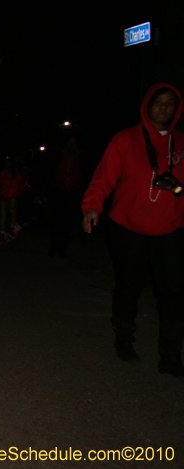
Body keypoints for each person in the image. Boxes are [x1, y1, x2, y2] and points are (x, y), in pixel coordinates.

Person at [82, 83, 184, 377]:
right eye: (158, 102)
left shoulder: (181, 143)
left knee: (174, 293)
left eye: (169, 103)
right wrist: (92, 206)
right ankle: (124, 340)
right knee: (129, 287)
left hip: (171, 229)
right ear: (147, 105)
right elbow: (104, 177)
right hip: (129, 227)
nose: (163, 108)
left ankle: (171, 354)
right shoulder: (126, 138)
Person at [47, 136, 84, 257]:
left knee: (68, 222)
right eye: (70, 141)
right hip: (58, 191)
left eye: (74, 142)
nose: (72, 144)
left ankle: (63, 248)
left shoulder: (81, 157)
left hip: (74, 192)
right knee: (55, 220)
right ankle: (53, 247)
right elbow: (51, 171)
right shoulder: (59, 155)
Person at [0, 157, 26, 245]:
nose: (7, 164)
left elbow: (20, 182)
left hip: (12, 195)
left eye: (9, 162)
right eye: (6, 162)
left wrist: (17, 191)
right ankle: (3, 233)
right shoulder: (0, 173)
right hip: (2, 195)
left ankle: (13, 228)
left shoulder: (15, 173)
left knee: (13, 212)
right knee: (3, 214)